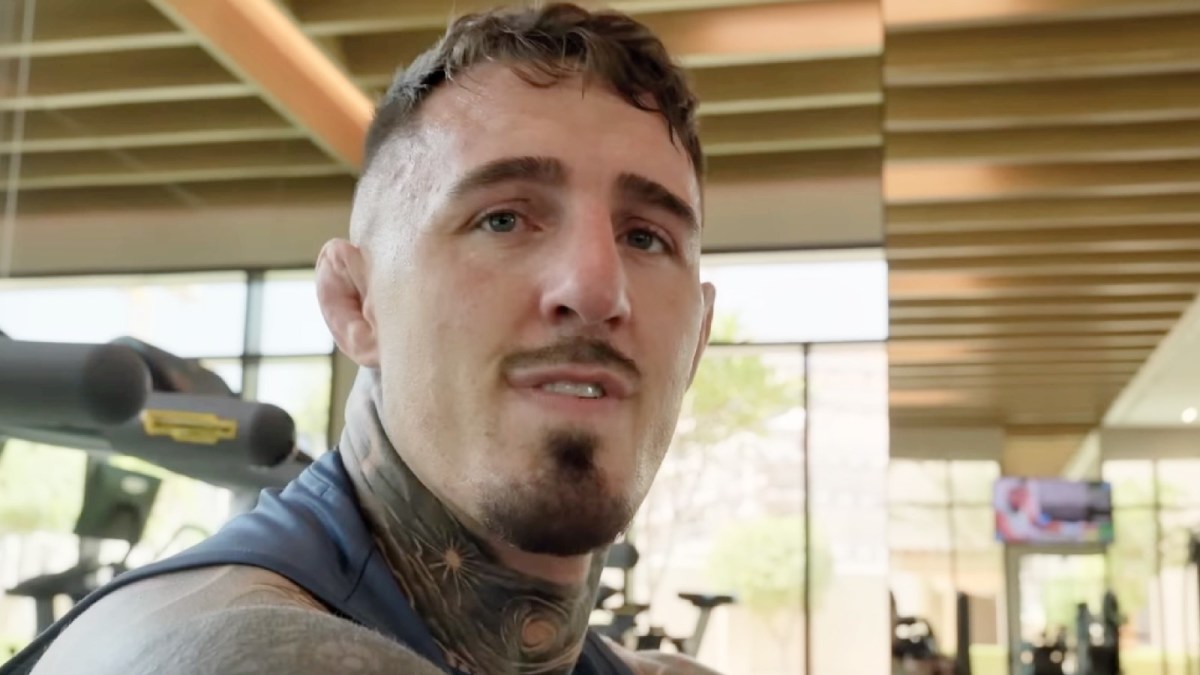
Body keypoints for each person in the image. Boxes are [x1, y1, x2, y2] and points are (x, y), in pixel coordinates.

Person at [5, 3, 719, 674]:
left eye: (646, 237)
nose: (597, 289)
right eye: (502, 219)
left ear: (697, 341)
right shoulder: (245, 650)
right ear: (355, 304)